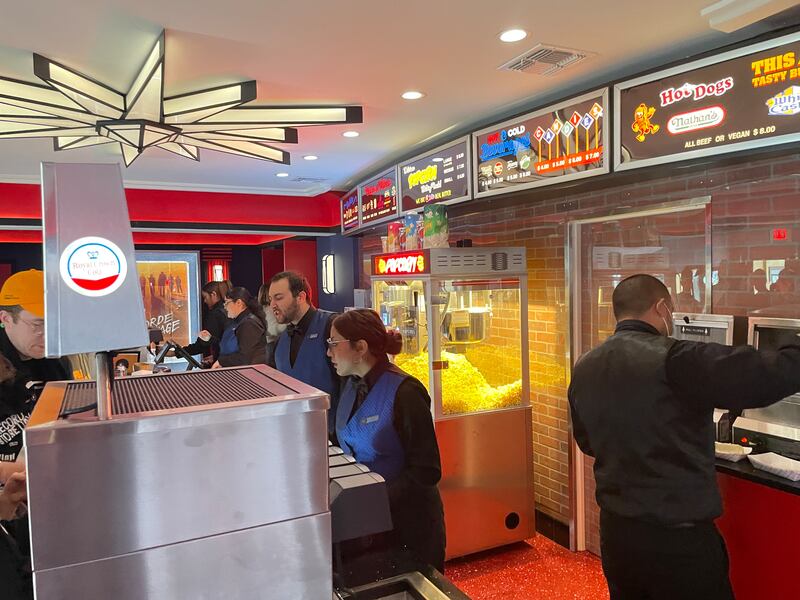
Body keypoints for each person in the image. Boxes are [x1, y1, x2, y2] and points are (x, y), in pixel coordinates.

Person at [568, 274, 800, 600]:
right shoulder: (676, 359)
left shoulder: (584, 367)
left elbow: (586, 441)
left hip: (618, 536)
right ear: (661, 307)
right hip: (677, 543)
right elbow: (761, 377)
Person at [329, 309, 445, 573]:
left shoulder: (405, 392)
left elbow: (427, 470)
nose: (328, 352)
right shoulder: (350, 386)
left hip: (409, 527)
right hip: (368, 526)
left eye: (334, 343)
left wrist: (375, 499)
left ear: (360, 348)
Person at [0, 269, 71, 600]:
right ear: (6, 319)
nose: (48, 333)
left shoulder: (56, 362)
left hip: (45, 504)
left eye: (54, 323)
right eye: (38, 324)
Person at [269, 271, 339, 429]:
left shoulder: (331, 325)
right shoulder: (281, 340)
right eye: (270, 299)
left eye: (278, 298)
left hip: (330, 431)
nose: (272, 305)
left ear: (300, 297)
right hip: (292, 428)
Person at [212, 287, 267, 368]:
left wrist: (221, 362)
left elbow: (245, 358)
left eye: (227, 302)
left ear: (239, 303)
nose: (225, 307)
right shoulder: (240, 322)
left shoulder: (249, 323)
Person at [183, 281, 232, 364]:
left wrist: (176, 352)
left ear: (213, 294)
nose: (205, 301)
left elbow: (202, 345)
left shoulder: (215, 314)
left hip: (222, 363)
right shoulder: (228, 310)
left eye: (205, 297)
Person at [257, 283, 286, 368]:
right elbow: (272, 330)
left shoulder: (262, 310)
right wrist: (289, 324)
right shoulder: (269, 310)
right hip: (271, 346)